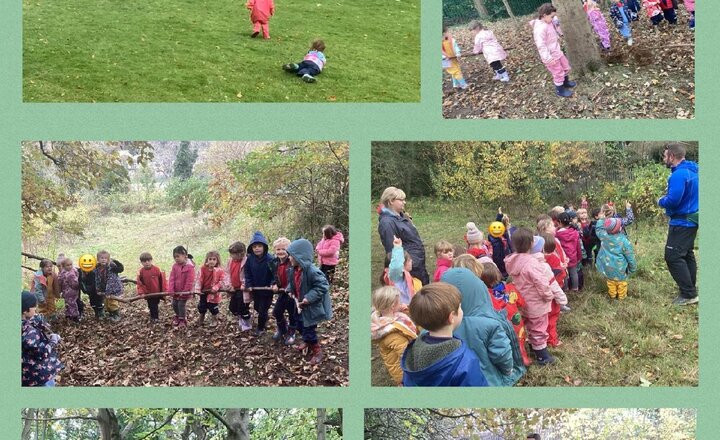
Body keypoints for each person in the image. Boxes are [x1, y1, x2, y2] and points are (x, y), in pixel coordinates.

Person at [443, 268, 526, 386]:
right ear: (479, 289)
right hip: (489, 382)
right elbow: (502, 354)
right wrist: (508, 371)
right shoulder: (489, 324)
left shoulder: (432, 328)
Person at [401, 282, 488, 386]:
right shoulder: (466, 362)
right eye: (459, 307)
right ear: (451, 317)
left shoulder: (411, 355)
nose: (461, 310)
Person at [505, 228, 556, 365]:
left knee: (528, 325)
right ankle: (542, 356)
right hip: (536, 303)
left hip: (522, 302)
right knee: (539, 327)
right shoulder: (532, 263)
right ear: (531, 243)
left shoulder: (511, 261)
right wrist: (548, 295)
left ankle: (532, 346)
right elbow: (541, 282)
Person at [658, 143, 699, 305]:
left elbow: (673, 201)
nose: (663, 158)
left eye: (665, 155)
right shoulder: (693, 171)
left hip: (682, 221)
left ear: (672, 157)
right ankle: (689, 288)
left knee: (673, 256)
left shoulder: (679, 175)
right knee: (686, 254)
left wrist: (660, 201)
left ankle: (688, 294)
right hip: (691, 220)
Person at [287, 238, 333, 365]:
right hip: (300, 306)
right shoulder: (293, 270)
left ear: (299, 257)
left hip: (311, 308)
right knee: (299, 324)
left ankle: (317, 350)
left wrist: (309, 297)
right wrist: (289, 289)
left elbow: (323, 286)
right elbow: (292, 283)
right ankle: (307, 340)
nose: (289, 258)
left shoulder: (312, 271)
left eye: (291, 256)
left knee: (309, 329)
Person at [476, 262, 531, 366]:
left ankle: (510, 362)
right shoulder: (510, 288)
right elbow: (522, 303)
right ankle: (523, 358)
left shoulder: (485, 295)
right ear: (498, 274)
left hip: (500, 325)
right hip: (516, 322)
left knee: (505, 343)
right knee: (519, 341)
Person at [378, 187, 429, 285]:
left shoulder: (400, 216)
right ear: (391, 201)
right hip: (408, 268)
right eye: (401, 200)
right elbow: (391, 251)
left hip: (417, 264)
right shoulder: (387, 223)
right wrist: (405, 268)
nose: (404, 202)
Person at [371, 286, 418, 385]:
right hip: (404, 374)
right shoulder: (393, 334)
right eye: (399, 302)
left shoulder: (384, 318)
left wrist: (401, 310)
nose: (401, 303)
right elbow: (407, 356)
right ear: (392, 306)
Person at [530, 3, 577, 98]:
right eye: (552, 16)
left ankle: (566, 82)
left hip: (557, 51)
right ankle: (560, 90)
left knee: (565, 67)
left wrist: (559, 30)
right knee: (558, 72)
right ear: (544, 15)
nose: (553, 18)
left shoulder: (549, 21)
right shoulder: (540, 29)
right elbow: (541, 45)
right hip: (550, 56)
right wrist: (548, 58)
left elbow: (556, 25)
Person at [22, 291, 63, 386]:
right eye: (33, 307)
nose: (35, 308)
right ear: (25, 310)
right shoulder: (29, 332)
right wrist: (53, 341)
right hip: (36, 375)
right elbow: (41, 352)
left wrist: (38, 320)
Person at [596, 216, 637, 301]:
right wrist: (633, 268)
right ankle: (621, 298)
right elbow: (630, 256)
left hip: (607, 267)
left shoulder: (604, 236)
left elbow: (598, 229)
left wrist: (601, 219)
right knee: (621, 283)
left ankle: (612, 296)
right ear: (619, 229)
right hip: (620, 269)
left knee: (611, 282)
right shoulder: (624, 241)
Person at [245, 231, 275, 336]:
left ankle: (261, 328)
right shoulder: (250, 259)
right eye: (254, 247)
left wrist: (272, 283)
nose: (257, 248)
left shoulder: (270, 259)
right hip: (256, 289)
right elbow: (247, 272)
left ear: (264, 247)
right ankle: (265, 318)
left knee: (262, 310)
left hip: (267, 290)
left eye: (259, 246)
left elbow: (275, 274)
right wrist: (248, 284)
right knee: (257, 307)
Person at [270, 237, 297, 345]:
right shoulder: (274, 263)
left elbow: (295, 277)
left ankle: (292, 332)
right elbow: (273, 277)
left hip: (292, 293)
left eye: (283, 249)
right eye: (278, 249)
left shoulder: (292, 261)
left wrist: (290, 288)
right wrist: (274, 284)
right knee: (277, 312)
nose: (280, 251)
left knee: (292, 314)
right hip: (282, 293)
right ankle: (282, 328)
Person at [382, 237, 422, 307]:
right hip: (401, 310)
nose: (411, 261)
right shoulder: (395, 278)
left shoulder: (404, 277)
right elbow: (396, 267)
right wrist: (397, 248)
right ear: (402, 265)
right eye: (409, 260)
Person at [195, 251, 226, 327]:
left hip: (213, 293)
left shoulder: (220, 270)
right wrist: (198, 289)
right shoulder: (203, 268)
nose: (212, 261)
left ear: (217, 260)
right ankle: (201, 318)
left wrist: (216, 287)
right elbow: (199, 278)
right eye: (210, 259)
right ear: (207, 260)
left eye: (214, 259)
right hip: (204, 291)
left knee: (213, 307)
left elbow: (222, 281)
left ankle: (214, 319)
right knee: (202, 306)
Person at [167, 246, 195, 328]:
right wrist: (171, 289)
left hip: (185, 292)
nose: (176, 259)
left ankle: (182, 319)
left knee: (181, 304)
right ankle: (178, 316)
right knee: (174, 303)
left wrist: (185, 291)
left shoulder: (190, 267)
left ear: (185, 255)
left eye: (178, 256)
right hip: (176, 291)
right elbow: (172, 278)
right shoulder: (175, 266)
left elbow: (190, 281)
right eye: (175, 257)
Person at [555, 212, 582, 292]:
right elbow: (578, 246)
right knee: (574, 273)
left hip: (563, 258)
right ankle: (575, 288)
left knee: (565, 274)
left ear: (559, 222)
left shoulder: (557, 235)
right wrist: (579, 257)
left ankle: (565, 288)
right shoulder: (575, 233)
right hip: (573, 257)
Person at [136, 252, 166, 323]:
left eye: (148, 261)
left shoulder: (156, 269)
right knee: (151, 305)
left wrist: (163, 291)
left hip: (156, 292)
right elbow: (139, 283)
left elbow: (161, 280)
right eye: (144, 261)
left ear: (151, 260)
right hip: (148, 293)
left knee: (154, 305)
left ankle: (155, 318)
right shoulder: (141, 272)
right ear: (141, 262)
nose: (147, 263)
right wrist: (141, 292)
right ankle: (153, 316)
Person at [95, 250, 124, 321]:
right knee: (106, 303)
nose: (103, 259)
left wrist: (108, 292)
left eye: (105, 258)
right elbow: (97, 279)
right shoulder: (98, 268)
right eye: (102, 258)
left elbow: (111, 281)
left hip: (113, 289)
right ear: (98, 259)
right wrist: (98, 289)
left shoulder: (111, 268)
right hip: (104, 289)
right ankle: (111, 314)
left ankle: (116, 315)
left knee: (112, 303)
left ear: (108, 259)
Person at [226, 242, 250, 329]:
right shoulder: (230, 261)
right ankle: (240, 317)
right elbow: (227, 273)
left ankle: (246, 322)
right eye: (231, 254)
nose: (231, 256)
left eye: (233, 254)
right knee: (232, 307)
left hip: (243, 289)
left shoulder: (246, 261)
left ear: (241, 253)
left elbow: (248, 274)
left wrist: (244, 284)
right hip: (234, 288)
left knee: (242, 307)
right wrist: (229, 285)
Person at [442, 25, 468, 91]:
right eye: (448, 32)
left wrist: (458, 53)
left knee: (454, 71)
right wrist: (444, 57)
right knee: (457, 71)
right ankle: (463, 85)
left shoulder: (451, 40)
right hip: (446, 60)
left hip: (453, 59)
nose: (449, 33)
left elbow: (455, 46)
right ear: (444, 33)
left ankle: (455, 84)